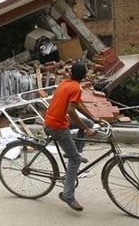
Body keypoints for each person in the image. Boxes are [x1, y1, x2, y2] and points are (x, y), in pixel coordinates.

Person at [43, 61, 99, 212]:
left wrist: (92, 119)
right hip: (57, 127)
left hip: (51, 120)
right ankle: (68, 195)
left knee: (88, 123)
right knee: (74, 160)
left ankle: (74, 152)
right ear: (84, 75)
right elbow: (71, 111)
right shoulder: (75, 87)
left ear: (71, 73)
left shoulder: (65, 83)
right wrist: (86, 129)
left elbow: (77, 105)